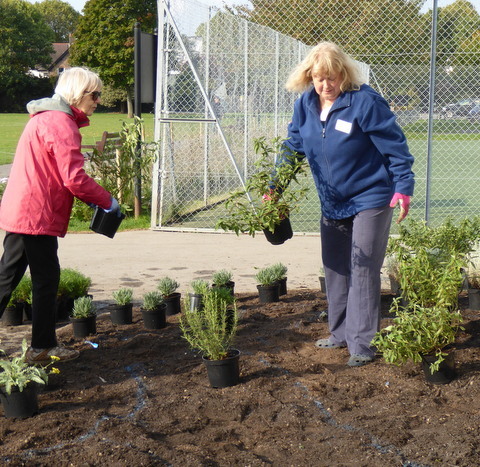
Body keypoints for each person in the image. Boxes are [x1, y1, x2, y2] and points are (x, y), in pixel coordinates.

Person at [276, 42, 415, 367]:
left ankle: (363, 344)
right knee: (336, 267)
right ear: (309, 77)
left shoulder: (364, 102)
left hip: (371, 197)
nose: (326, 85)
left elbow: (395, 146)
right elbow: (293, 145)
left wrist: (403, 187)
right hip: (333, 202)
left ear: (344, 74)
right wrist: (274, 186)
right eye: (319, 78)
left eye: (333, 77)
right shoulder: (305, 105)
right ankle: (339, 333)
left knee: (363, 267)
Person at [0, 67, 122, 364]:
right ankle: (41, 347)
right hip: (35, 214)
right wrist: (108, 201)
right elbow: (74, 178)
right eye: (95, 94)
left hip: (23, 209)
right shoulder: (61, 123)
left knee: (7, 277)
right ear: (79, 94)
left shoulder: (45, 118)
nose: (98, 101)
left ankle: (42, 345)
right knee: (46, 279)